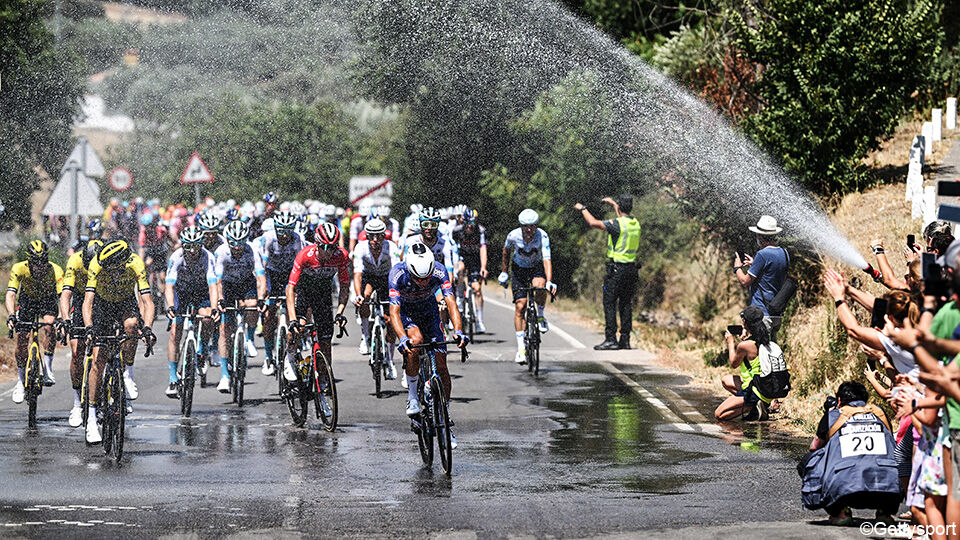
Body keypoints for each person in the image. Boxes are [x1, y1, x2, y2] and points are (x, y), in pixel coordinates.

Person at [388, 242, 468, 448]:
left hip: (429, 312)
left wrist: (458, 331)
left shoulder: (440, 271)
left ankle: (445, 418)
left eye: (426, 278)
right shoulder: (397, 274)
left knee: (442, 366)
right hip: (407, 313)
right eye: (417, 279)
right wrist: (401, 337)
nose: (423, 283)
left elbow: (451, 303)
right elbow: (394, 312)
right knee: (415, 343)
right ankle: (413, 397)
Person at [82, 240, 156, 443]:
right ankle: (91, 417)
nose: (110, 274)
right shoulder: (97, 265)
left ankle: (128, 374)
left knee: (132, 326)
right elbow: (87, 301)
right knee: (99, 359)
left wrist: (148, 327)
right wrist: (89, 327)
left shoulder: (135, 264)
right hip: (102, 305)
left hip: (125, 302)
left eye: (113, 270)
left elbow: (148, 301)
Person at [802, 382, 901, 525]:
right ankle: (884, 513)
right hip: (887, 489)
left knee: (809, 460)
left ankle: (840, 512)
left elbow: (814, 447)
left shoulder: (833, 415)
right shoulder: (880, 413)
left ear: (840, 401)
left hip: (845, 491)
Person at [283, 223, 351, 404]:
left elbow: (344, 286)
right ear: (317, 243)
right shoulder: (305, 255)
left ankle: (322, 380)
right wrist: (292, 319)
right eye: (324, 247)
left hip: (323, 296)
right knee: (298, 329)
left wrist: (341, 312)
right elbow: (290, 289)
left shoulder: (341, 257)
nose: (329, 252)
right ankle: (289, 359)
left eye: (333, 247)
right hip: (303, 294)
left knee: (326, 342)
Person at [574, 195, 640, 350]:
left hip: (616, 271)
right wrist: (613, 205)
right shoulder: (635, 223)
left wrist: (582, 209)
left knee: (609, 302)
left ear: (619, 207)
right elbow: (622, 218)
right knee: (625, 304)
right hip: (631, 270)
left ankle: (611, 339)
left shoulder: (617, 224)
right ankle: (625, 339)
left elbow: (593, 223)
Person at [5, 240, 65, 402]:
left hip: (48, 300)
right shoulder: (19, 268)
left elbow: (63, 298)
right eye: (36, 263)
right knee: (22, 338)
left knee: (50, 326)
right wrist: (11, 315)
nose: (40, 266)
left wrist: (62, 318)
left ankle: (48, 368)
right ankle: (20, 380)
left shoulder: (56, 270)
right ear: (29, 261)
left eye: (43, 262)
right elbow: (11, 294)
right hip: (27, 301)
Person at [164, 227, 219, 398]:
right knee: (175, 332)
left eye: (196, 246)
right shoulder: (177, 257)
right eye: (189, 246)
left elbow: (213, 285)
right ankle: (173, 379)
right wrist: (171, 306)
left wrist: (215, 307)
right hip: (181, 292)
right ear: (183, 245)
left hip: (201, 291)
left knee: (208, 318)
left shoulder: (208, 256)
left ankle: (202, 351)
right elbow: (169, 286)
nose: (193, 251)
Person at [214, 221, 266, 393]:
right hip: (227, 286)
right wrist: (220, 300)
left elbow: (260, 277)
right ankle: (224, 375)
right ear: (228, 240)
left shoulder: (252, 250)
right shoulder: (221, 252)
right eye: (233, 243)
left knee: (252, 307)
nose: (237, 247)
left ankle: (249, 337)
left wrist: (261, 298)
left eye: (241, 243)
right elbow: (218, 282)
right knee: (224, 329)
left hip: (246, 283)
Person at [499, 209, 557, 365]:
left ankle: (540, 316)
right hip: (518, 269)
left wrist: (549, 280)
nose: (529, 230)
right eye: (526, 227)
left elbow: (546, 258)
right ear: (521, 226)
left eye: (532, 226)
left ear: (537, 226)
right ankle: (521, 350)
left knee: (540, 286)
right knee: (520, 306)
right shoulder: (513, 236)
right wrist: (504, 272)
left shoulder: (542, 236)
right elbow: (506, 252)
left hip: (536, 267)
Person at [59, 239, 103, 427]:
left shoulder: (106, 261)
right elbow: (66, 294)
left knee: (102, 353)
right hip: (80, 298)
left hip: (101, 299)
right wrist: (65, 319)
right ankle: (77, 403)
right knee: (77, 351)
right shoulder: (75, 261)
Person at [259, 211, 307, 376]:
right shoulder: (269, 238)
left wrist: (300, 290)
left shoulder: (298, 238)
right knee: (268, 315)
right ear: (275, 228)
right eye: (281, 230)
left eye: (288, 230)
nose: (284, 235)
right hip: (272, 275)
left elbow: (302, 266)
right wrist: (263, 292)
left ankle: (291, 353)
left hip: (290, 274)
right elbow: (262, 268)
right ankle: (267, 356)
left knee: (292, 313)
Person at [352, 218, 400, 376]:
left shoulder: (391, 247)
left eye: (378, 236)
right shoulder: (361, 248)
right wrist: (358, 295)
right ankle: (365, 337)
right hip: (369, 277)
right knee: (364, 297)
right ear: (367, 235)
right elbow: (357, 274)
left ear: (383, 236)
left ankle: (391, 360)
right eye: (371, 236)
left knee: (391, 319)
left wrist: (396, 296)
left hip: (387, 278)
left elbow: (396, 271)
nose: (374, 240)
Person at [714, 306, 778, 421]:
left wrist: (731, 343)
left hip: (755, 389)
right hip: (767, 388)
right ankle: (758, 405)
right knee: (726, 380)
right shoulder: (765, 339)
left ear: (746, 323)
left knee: (719, 415)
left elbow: (734, 363)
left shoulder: (745, 345)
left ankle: (751, 406)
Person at [734, 215, 789, 337]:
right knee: (771, 351)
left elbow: (745, 281)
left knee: (759, 350)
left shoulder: (762, 254)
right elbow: (772, 272)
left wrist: (737, 268)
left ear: (760, 236)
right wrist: (755, 264)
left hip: (761, 313)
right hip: (776, 312)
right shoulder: (784, 253)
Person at [451, 208, 489, 333]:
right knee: (460, 270)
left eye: (474, 223)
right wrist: (454, 267)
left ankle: (480, 321)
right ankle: (460, 298)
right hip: (461, 258)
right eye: (468, 223)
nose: (471, 226)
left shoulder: (481, 231)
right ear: (464, 222)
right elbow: (453, 250)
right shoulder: (457, 231)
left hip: (475, 260)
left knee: (477, 289)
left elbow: (483, 249)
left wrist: (483, 267)